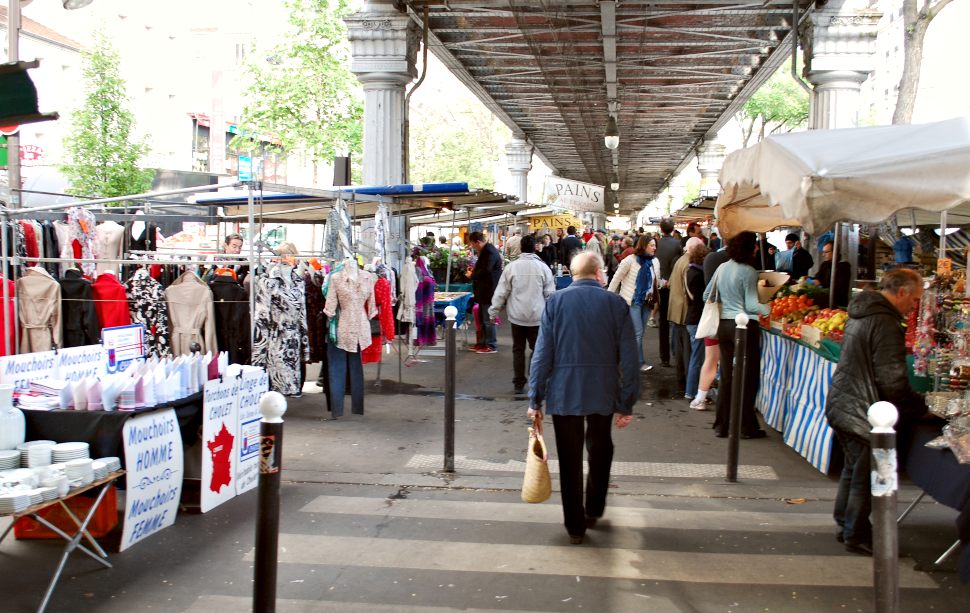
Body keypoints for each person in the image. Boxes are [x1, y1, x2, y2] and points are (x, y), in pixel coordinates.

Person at [528, 252, 639, 544]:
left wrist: (534, 399)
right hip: (603, 390)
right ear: (599, 273)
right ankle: (594, 508)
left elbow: (542, 355)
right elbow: (630, 357)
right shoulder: (616, 304)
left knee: (569, 457)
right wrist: (627, 401)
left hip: (564, 390)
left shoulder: (555, 303)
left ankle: (575, 526)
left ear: (572, 273)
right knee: (601, 448)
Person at [824, 268, 927, 555]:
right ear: (902, 292)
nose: (914, 306)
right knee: (866, 475)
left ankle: (846, 523)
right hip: (864, 408)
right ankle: (856, 532)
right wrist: (920, 407)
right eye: (914, 299)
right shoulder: (885, 322)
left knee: (853, 469)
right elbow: (892, 380)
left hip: (846, 401)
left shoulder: (863, 313)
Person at [702, 231, 769, 439]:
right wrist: (768, 308)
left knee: (728, 377)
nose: (757, 249)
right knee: (747, 378)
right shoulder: (748, 271)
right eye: (755, 246)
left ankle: (721, 425)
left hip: (723, 327)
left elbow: (706, 295)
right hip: (744, 328)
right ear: (749, 249)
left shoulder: (722, 267)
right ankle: (746, 426)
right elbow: (750, 304)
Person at [489, 235, 555, 394]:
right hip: (537, 317)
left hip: (517, 317)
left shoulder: (512, 267)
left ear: (521, 248)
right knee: (537, 349)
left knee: (518, 349)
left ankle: (519, 382)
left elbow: (501, 292)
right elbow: (550, 294)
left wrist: (493, 311)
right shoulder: (543, 268)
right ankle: (535, 378)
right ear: (535, 248)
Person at [608, 235, 660, 371]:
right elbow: (616, 278)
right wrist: (608, 296)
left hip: (647, 301)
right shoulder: (630, 260)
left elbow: (656, 281)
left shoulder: (655, 261)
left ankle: (637, 361)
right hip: (632, 300)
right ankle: (631, 363)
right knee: (637, 332)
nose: (654, 248)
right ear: (643, 245)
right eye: (652, 245)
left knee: (640, 333)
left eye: (655, 245)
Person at [692, 239, 731, 410]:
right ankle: (727, 398)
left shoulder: (711, 260)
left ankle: (700, 398)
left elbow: (706, 294)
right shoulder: (745, 269)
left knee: (711, 359)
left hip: (713, 317)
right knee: (729, 361)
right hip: (734, 321)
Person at [667, 237, 705, 397]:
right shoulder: (689, 264)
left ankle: (683, 381)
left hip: (677, 310)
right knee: (689, 353)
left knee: (681, 350)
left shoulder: (680, 260)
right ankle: (690, 386)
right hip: (685, 311)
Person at [468, 231, 503, 354]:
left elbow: (486, 270)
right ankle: (482, 343)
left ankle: (491, 345)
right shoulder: (486, 251)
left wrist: (473, 275)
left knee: (488, 319)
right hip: (484, 290)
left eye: (472, 244)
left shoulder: (489, 251)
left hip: (489, 290)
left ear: (477, 242)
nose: (472, 247)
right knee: (482, 319)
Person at [684, 244, 711, 403]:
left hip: (691, 318)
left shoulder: (690, 271)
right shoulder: (699, 275)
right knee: (698, 358)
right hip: (697, 319)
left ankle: (692, 391)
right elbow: (702, 299)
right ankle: (692, 392)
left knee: (697, 357)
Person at [656, 219, 683, 368]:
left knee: (663, 322)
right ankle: (676, 353)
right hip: (675, 287)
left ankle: (664, 357)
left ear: (661, 229)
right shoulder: (678, 245)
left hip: (661, 286)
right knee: (676, 321)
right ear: (673, 229)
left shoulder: (656, 244)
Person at [815, 240, 852, 307]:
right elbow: (818, 277)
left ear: (834, 252)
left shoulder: (844, 266)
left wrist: (821, 285)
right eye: (823, 252)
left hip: (838, 305)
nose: (823, 255)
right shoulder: (825, 264)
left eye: (826, 252)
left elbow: (837, 287)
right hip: (824, 303)